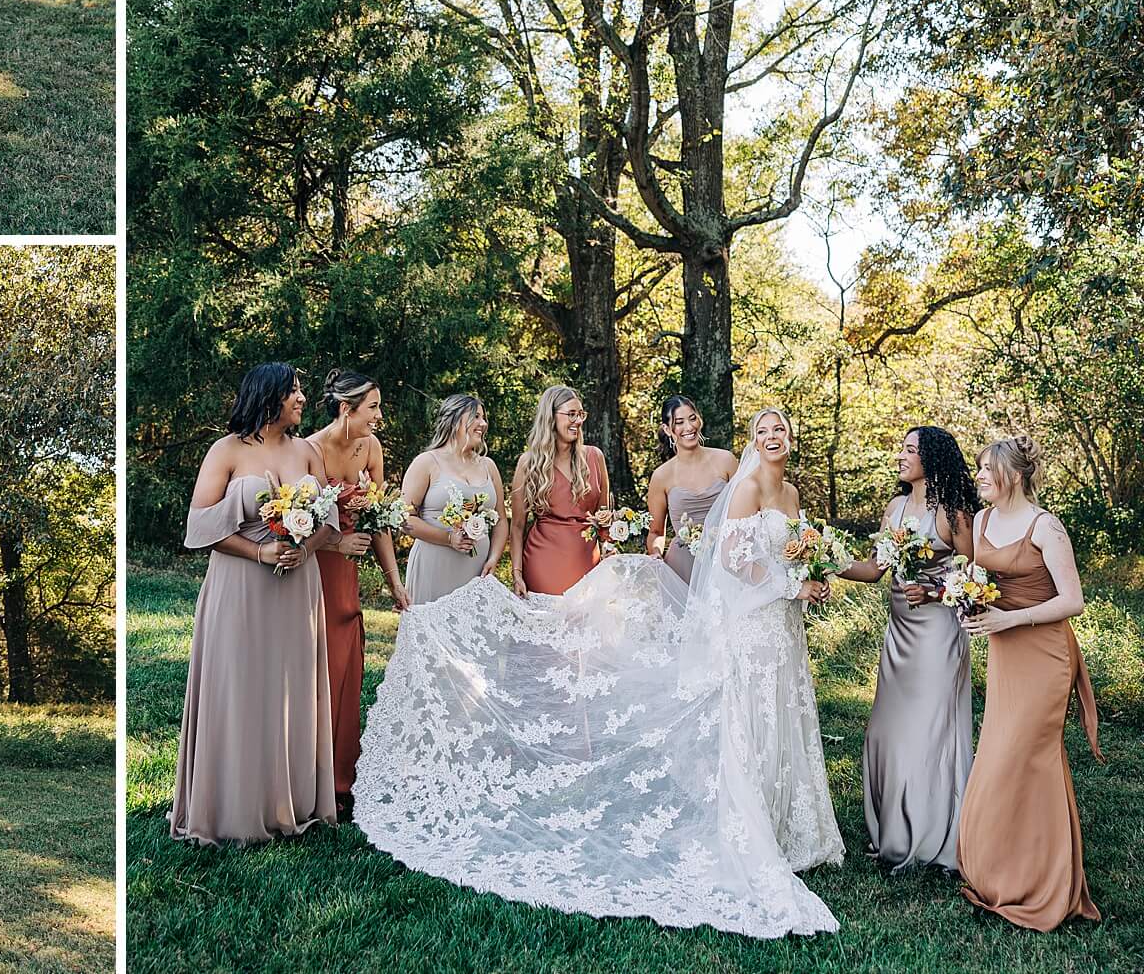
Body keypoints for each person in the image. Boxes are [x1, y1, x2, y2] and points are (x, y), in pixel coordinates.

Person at [355, 405, 843, 938]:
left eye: (779, 428)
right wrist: (514, 567)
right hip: (548, 557)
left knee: (751, 704)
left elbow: (611, 514)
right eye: (763, 430)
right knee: (551, 661)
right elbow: (519, 519)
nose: (579, 419)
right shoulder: (531, 463)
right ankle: (540, 746)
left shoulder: (616, 461)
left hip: (710, 598)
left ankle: (780, 818)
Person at [169, 363, 338, 845]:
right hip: (240, 584)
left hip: (297, 588)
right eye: (294, 391)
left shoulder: (307, 452)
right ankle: (235, 806)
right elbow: (200, 527)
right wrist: (259, 551)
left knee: (291, 688)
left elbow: (329, 521)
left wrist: (306, 548)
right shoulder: (226, 450)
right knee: (240, 685)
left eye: (301, 391)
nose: (302, 399)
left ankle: (290, 802)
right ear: (268, 397)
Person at [957, 436, 1103, 930]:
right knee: (999, 755)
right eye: (978, 468)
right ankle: (997, 869)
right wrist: (967, 604)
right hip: (1004, 656)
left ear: (1014, 476)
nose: (979, 475)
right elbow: (980, 584)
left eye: (987, 468)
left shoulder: (1046, 527)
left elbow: (1073, 600)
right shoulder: (981, 521)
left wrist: (1010, 619)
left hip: (1044, 655)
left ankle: (1043, 880)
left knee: (1029, 757)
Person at [836, 425, 977, 872]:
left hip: (937, 635)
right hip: (899, 635)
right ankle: (894, 830)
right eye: (902, 448)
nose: (900, 456)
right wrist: (826, 559)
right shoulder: (895, 508)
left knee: (927, 731)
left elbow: (976, 579)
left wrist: (934, 593)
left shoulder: (953, 512)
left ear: (930, 458)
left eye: (910, 450)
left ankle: (933, 836)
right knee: (888, 729)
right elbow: (874, 569)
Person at [305, 368, 407, 815]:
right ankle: (305, 780)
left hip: (345, 576)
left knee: (347, 669)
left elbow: (378, 521)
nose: (379, 416)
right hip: (313, 572)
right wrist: (336, 543)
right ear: (347, 409)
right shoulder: (310, 449)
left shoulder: (371, 448)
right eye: (373, 407)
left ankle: (340, 781)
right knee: (317, 671)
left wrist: (394, 581)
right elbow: (297, 526)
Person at [398, 394, 507, 605]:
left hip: (477, 572)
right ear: (454, 420)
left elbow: (501, 519)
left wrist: (493, 558)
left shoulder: (488, 466)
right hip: (434, 567)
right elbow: (405, 518)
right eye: (476, 417)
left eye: (483, 418)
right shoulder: (427, 462)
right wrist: (448, 538)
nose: (483, 424)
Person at [508, 384, 611, 596]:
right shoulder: (529, 463)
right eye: (571, 414)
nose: (578, 421)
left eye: (581, 414)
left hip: (589, 566)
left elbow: (604, 519)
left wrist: (609, 547)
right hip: (543, 565)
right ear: (550, 417)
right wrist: (517, 574)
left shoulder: (595, 457)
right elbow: (517, 527)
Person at [644, 395, 738, 581]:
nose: (688, 427)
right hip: (682, 567)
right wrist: (655, 553)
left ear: (700, 419)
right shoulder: (661, 476)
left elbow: (746, 513)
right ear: (667, 429)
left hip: (725, 561)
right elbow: (656, 532)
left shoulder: (726, 460)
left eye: (692, 418)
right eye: (679, 422)